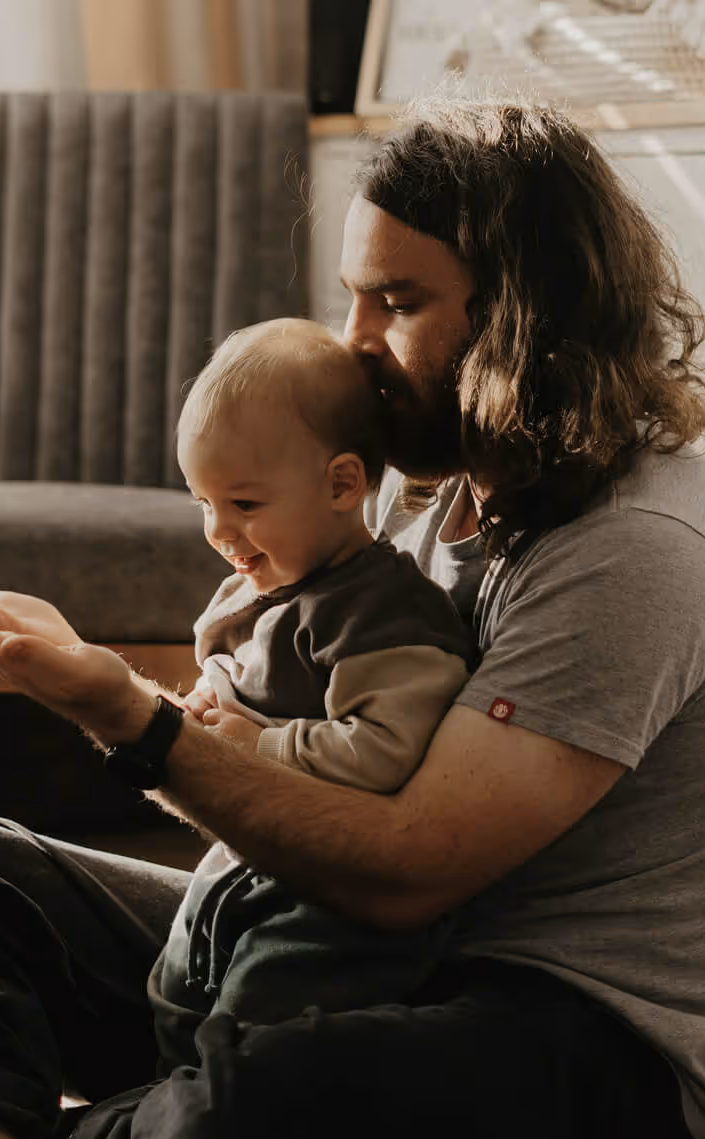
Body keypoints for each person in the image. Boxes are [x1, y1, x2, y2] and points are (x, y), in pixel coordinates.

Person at [0, 95, 705, 1139]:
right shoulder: (426, 500)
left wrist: (131, 721)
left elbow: (404, 874)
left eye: (395, 302)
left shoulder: (641, 545)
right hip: (353, 960)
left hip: (578, 1039)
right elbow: (285, 751)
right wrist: (157, 687)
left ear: (527, 319)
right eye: (352, 296)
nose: (354, 344)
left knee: (258, 1106)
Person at [156, 315, 475, 1068]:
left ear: (342, 483)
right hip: (243, 868)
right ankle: (156, 1109)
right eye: (203, 503)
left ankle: (192, 1129)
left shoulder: (384, 614)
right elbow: (235, 675)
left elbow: (385, 748)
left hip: (333, 909)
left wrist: (257, 744)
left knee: (253, 1038)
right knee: (174, 994)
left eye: (244, 504)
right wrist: (210, 698)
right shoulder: (266, 588)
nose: (218, 529)